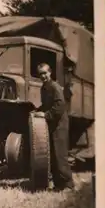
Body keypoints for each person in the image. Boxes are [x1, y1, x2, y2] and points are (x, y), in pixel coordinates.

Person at [34, 62, 74, 191]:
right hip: (52, 124)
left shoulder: (55, 86)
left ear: (50, 73)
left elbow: (59, 106)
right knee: (53, 155)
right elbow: (46, 105)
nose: (43, 76)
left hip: (60, 125)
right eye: (40, 74)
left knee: (60, 155)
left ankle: (68, 184)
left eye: (45, 73)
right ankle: (58, 184)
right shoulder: (44, 88)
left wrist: (45, 115)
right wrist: (36, 111)